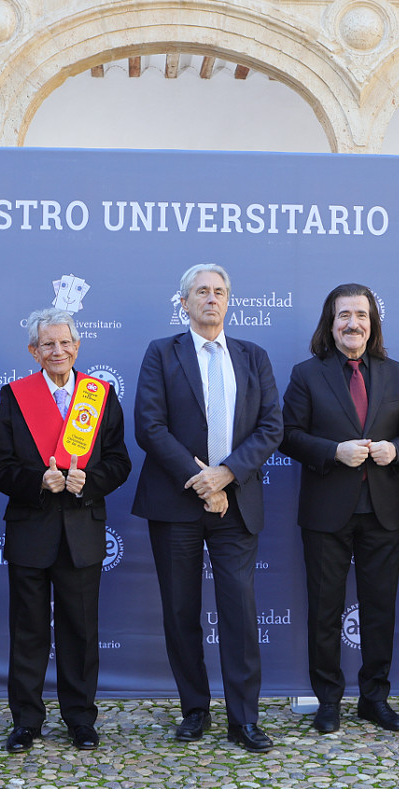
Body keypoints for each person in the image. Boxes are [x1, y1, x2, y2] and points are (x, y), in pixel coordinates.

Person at [132, 264, 283, 753]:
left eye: (219, 292)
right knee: (181, 612)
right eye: (201, 291)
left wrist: (226, 475)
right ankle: (194, 710)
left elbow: (271, 428)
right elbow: (149, 426)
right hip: (175, 503)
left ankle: (244, 720)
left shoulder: (253, 356)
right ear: (184, 302)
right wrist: (202, 481)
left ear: (229, 300)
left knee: (239, 612)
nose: (211, 299)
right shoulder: (161, 353)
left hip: (235, 503)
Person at [279, 283, 399, 734]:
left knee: (380, 609)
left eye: (361, 315)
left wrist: (395, 451)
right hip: (327, 511)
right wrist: (332, 452)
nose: (353, 324)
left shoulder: (396, 373)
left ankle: (374, 699)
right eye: (344, 315)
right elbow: (286, 435)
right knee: (324, 610)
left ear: (372, 323)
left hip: (382, 510)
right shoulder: (307, 374)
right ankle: (328, 702)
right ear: (331, 322)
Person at [0, 309, 131, 753]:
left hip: (83, 532)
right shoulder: (15, 396)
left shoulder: (100, 395)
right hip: (32, 530)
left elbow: (119, 462)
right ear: (34, 351)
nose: (58, 351)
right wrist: (37, 482)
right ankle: (26, 721)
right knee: (28, 632)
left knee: (81, 632)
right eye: (47, 344)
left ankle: (80, 720)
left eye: (65, 342)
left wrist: (91, 482)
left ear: (77, 346)